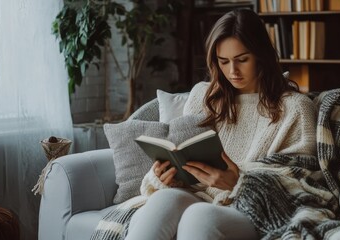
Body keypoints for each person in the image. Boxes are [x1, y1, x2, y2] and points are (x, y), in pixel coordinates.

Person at [125, 8, 317, 240]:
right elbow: (181, 151)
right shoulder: (203, 97)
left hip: (249, 206)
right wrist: (162, 175)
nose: (232, 71)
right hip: (200, 195)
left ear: (261, 55)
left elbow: (300, 178)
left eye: (242, 60)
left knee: (199, 216)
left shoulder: (295, 107)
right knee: (163, 200)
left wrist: (240, 183)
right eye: (223, 61)